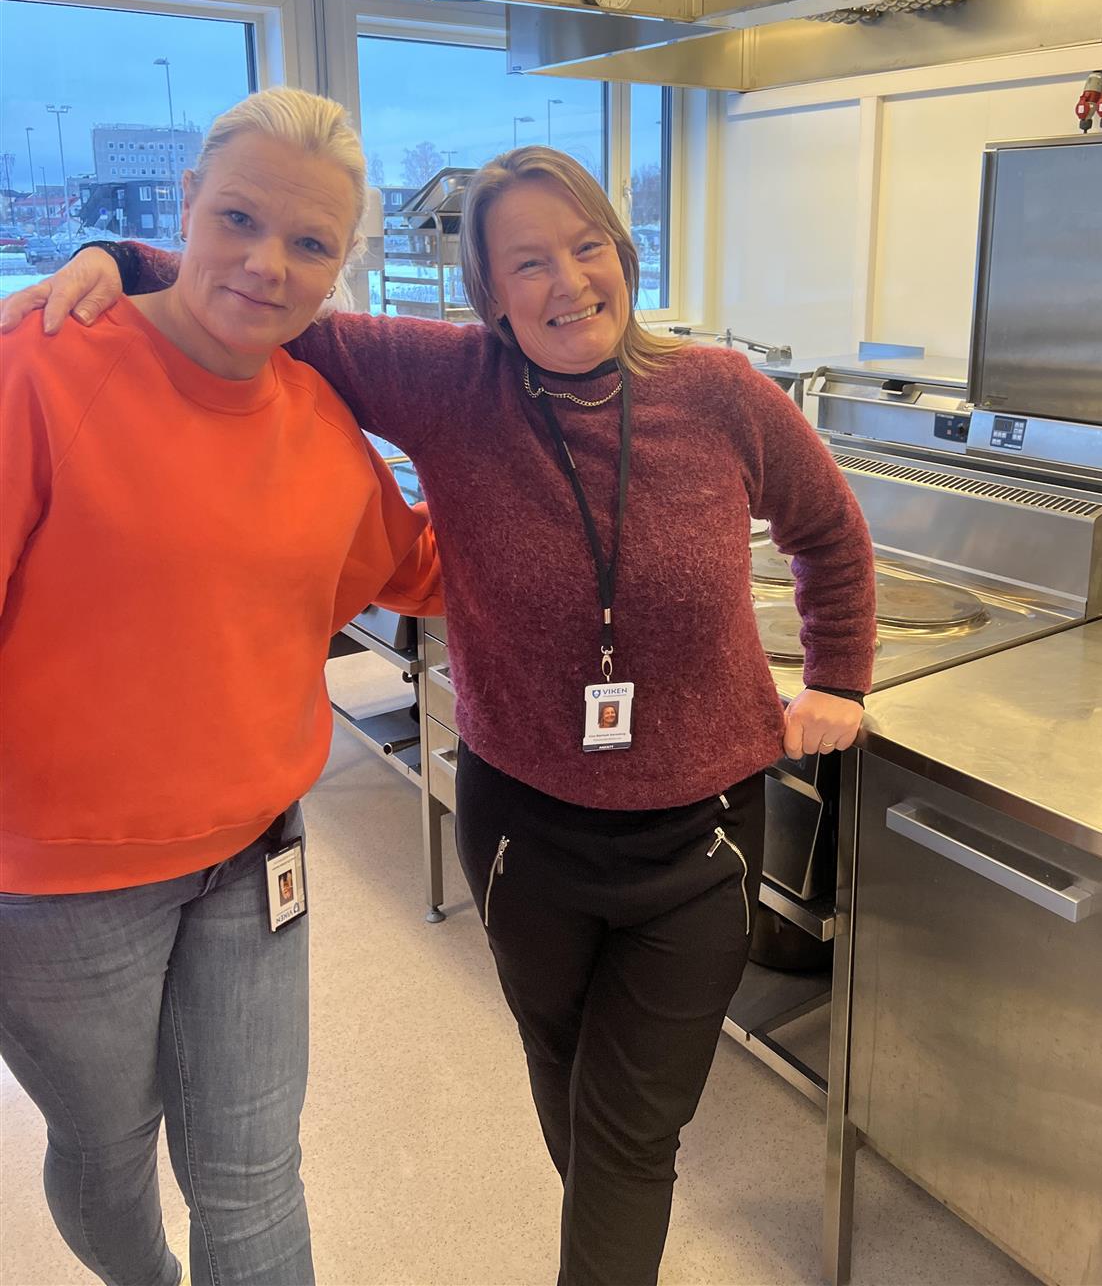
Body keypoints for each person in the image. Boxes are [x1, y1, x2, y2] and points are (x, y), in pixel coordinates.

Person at [8, 144, 875, 1286]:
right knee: (564, 1078)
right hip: (526, 829)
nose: (567, 281)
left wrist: (839, 677)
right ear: (488, 292)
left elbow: (829, 529)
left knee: (629, 1133)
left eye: (587, 246)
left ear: (624, 252)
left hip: (699, 832)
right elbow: (270, 291)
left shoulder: (719, 392)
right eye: (528, 261)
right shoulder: (449, 380)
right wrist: (118, 257)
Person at [0, 88, 442, 1286]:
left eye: (310, 242)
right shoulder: (42, 368)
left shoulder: (317, 417)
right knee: (107, 1153)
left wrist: (582, 511)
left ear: (342, 265)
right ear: (186, 205)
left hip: (256, 855)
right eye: (238, 218)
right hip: (65, 886)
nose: (266, 264)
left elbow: (412, 568)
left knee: (253, 1174)